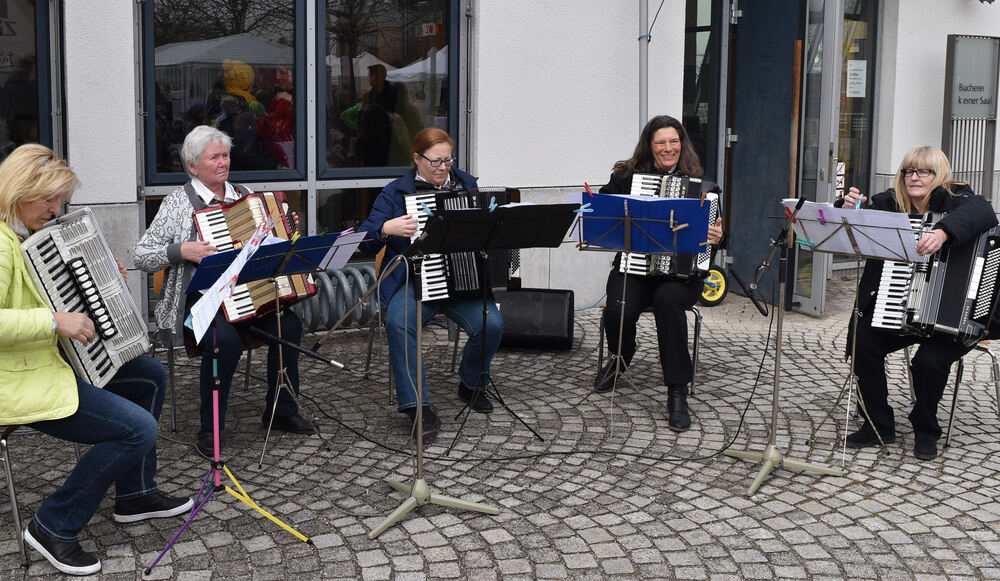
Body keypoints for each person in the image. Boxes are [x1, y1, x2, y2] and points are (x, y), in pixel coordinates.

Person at [0, 144, 192, 576]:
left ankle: (135, 493)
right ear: (19, 190)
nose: (54, 209)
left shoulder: (21, 234)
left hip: (41, 365)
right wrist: (53, 322)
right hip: (15, 381)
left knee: (149, 375)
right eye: (47, 199)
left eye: (60, 200)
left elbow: (46, 286)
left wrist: (99, 272)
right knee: (137, 430)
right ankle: (54, 524)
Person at [134, 125, 313, 460]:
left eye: (225, 155)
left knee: (288, 325)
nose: (223, 162)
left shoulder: (245, 195)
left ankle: (281, 411)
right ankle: (210, 428)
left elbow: (266, 246)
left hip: (248, 296)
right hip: (198, 301)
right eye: (214, 157)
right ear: (192, 166)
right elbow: (140, 255)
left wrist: (285, 228)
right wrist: (181, 250)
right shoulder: (177, 203)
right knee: (224, 342)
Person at [836, 146, 998, 461]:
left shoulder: (958, 201)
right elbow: (848, 222)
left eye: (924, 171)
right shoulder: (888, 205)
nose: (914, 177)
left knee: (928, 362)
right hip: (903, 311)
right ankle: (878, 424)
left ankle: (925, 428)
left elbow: (985, 212)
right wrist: (845, 207)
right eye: (908, 171)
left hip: (955, 319)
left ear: (940, 177)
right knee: (862, 340)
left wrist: (943, 232)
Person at [358, 127, 503, 439]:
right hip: (413, 280)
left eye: (447, 161)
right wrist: (385, 228)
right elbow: (365, 241)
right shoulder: (395, 192)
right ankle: (417, 407)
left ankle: (471, 382)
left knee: (492, 323)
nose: (443, 168)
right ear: (416, 159)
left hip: (462, 279)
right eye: (435, 162)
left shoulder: (468, 185)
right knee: (400, 323)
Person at [594, 115, 724, 432]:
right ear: (649, 146)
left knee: (668, 302)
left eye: (674, 141)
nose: (668, 148)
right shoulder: (626, 177)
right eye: (661, 142)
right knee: (617, 309)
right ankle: (622, 353)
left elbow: (714, 239)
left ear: (682, 144)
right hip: (635, 270)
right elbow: (602, 209)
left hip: (680, 278)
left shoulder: (705, 187)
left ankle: (677, 392)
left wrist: (717, 238)